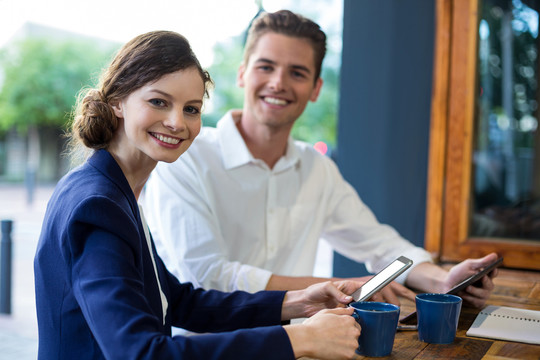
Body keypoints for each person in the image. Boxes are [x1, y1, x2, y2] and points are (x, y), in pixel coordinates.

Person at [33, 30, 364, 360]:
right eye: (159, 102)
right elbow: (139, 352)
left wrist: (299, 301)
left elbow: (176, 301)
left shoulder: (117, 190)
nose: (177, 122)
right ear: (117, 100)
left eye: (191, 109)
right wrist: (298, 339)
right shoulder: (98, 205)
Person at [142, 10, 498, 309]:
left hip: (297, 345)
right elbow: (208, 276)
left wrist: (441, 278)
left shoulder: (316, 169)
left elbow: (381, 244)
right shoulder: (187, 156)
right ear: (242, 74)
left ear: (315, 89)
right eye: (266, 67)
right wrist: (347, 285)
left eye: (297, 73)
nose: (278, 83)